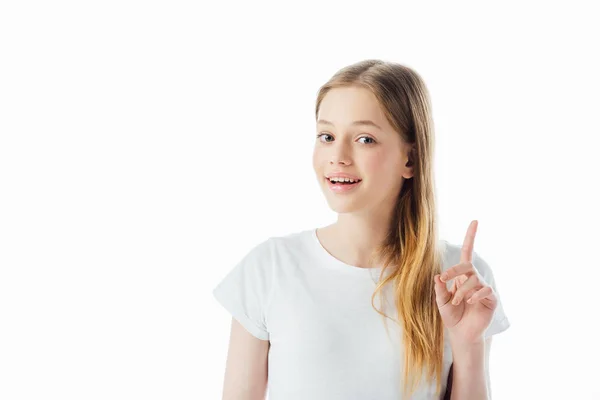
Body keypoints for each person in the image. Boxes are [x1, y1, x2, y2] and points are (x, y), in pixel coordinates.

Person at [212, 59, 510, 400]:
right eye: (327, 136)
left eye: (365, 139)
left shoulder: (458, 280)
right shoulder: (269, 268)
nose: (337, 155)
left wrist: (468, 347)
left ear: (410, 160)